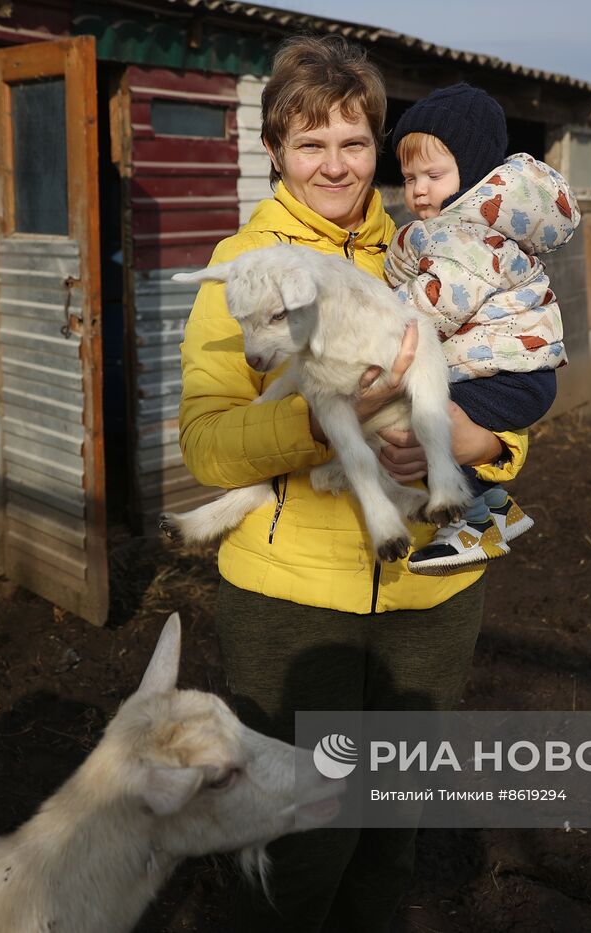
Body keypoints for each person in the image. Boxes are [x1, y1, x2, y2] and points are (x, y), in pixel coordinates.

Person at [177, 36, 531, 933]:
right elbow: (207, 447)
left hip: (432, 592)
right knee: (301, 838)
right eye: (310, 143)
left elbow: (509, 378)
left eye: (353, 140)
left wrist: (482, 441)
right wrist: (325, 415)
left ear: (379, 145)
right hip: (295, 606)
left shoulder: (435, 245)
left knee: (389, 834)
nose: (334, 164)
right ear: (273, 152)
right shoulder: (241, 265)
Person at [387, 83, 581, 574]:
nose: (418, 189)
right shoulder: (459, 234)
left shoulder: (467, 239)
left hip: (507, 377)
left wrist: (380, 316)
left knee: (426, 421)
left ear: (472, 176)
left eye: (434, 174)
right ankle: (496, 506)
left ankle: (475, 523)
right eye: (409, 177)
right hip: (512, 372)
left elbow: (436, 306)